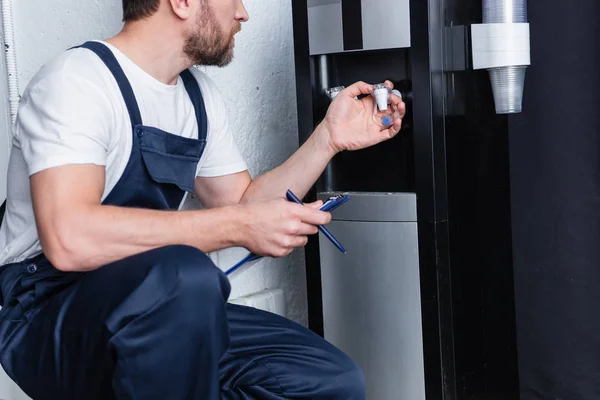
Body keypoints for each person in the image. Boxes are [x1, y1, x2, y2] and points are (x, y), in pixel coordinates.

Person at [0, 0, 405, 399]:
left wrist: (328, 140)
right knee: (187, 275)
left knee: (328, 381)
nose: (243, 13)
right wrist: (237, 227)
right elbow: (70, 239)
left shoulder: (198, 97)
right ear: (182, 2)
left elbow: (244, 205)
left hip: (162, 303)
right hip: (46, 310)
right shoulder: (77, 81)